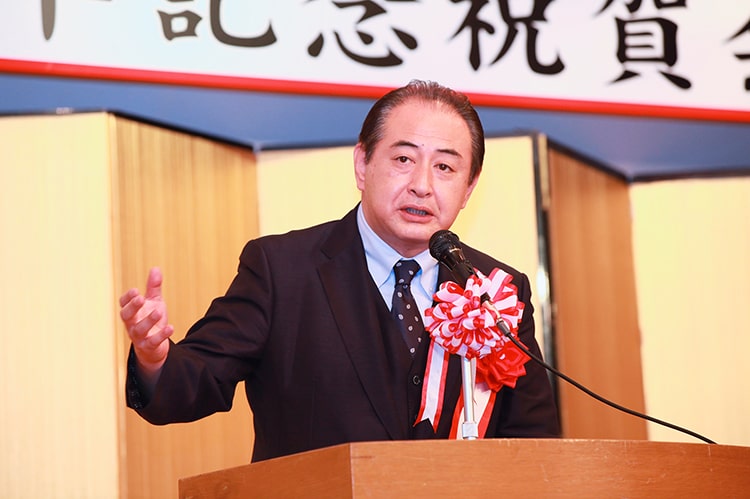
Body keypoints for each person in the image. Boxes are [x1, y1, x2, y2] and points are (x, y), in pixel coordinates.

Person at [120, 80, 560, 463]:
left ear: (468, 188)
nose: (422, 185)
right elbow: (194, 383)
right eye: (403, 159)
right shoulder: (282, 270)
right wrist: (155, 359)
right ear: (362, 164)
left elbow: (534, 446)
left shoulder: (497, 291)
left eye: (445, 167)